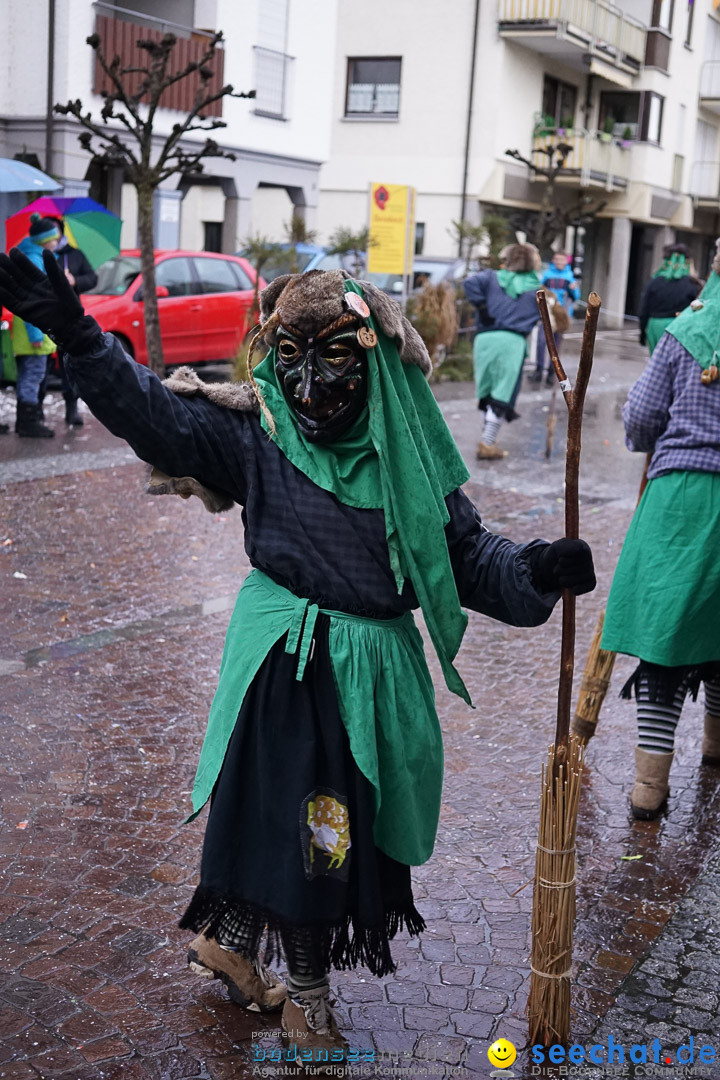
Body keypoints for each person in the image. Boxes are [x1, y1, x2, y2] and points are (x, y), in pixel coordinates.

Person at [0, 250, 596, 1067]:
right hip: (281, 667)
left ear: (374, 357)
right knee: (315, 839)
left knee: (299, 827)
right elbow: (154, 416)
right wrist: (78, 334)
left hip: (364, 685)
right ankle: (307, 1007)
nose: (311, 382)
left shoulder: (409, 461)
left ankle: (231, 943)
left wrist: (536, 570)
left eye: (335, 356)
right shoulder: (262, 431)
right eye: (292, 357)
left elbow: (467, 560)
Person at [601, 240, 720, 821]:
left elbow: (642, 416)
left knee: (667, 633)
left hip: (681, 502)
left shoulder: (682, 334)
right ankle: (716, 747)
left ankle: (650, 784)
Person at [464, 243, 542, 460]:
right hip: (512, 342)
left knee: (487, 390)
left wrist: (482, 308)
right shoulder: (536, 288)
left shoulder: (490, 278)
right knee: (502, 393)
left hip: (485, 340)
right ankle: (487, 442)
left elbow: (469, 282)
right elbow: (555, 317)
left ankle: (488, 439)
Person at [45, 216, 98, 427]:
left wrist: (75, 280)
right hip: (48, 313)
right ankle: (35, 413)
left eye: (56, 231)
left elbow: (92, 278)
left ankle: (71, 407)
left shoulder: (74, 255)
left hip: (71, 316)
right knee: (42, 367)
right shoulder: (44, 255)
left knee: (70, 361)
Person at [11, 214, 60, 438]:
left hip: (33, 328)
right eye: (54, 237)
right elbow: (32, 300)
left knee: (29, 375)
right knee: (33, 375)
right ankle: (28, 421)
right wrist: (35, 333)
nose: (57, 241)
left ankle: (27, 419)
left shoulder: (36, 256)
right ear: (44, 240)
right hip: (35, 329)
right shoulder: (34, 259)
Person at [638, 244, 702, 357]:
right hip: (680, 327)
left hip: (655, 325)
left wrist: (642, 332)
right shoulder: (693, 285)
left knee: (657, 363)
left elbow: (644, 310)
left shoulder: (654, 282)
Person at [531, 251, 578, 385]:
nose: (559, 262)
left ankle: (552, 372)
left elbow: (575, 296)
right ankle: (539, 370)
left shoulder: (569, 277)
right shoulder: (546, 275)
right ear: (553, 260)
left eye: (562, 260)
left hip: (561, 315)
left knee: (556, 346)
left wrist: (573, 289)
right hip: (546, 313)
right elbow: (538, 290)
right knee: (541, 341)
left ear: (566, 261)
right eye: (557, 259)